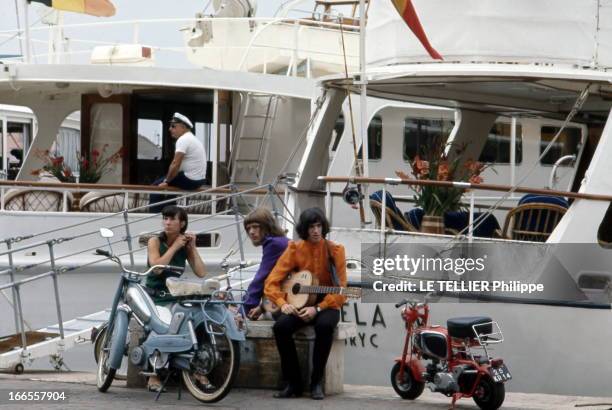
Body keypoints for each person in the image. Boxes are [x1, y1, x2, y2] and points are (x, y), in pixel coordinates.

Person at [264, 207, 347, 400]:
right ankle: (293, 383)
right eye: (311, 227)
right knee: (281, 327)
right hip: (299, 301)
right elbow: (271, 282)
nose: (316, 231)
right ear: (305, 229)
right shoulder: (294, 249)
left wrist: (318, 308)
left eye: (319, 226)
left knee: (324, 326)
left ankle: (316, 382)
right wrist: (282, 303)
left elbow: (343, 291)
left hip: (327, 302)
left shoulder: (335, 250)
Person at [145, 205, 207, 391]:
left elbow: (201, 272)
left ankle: (198, 370)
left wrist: (192, 248)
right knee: (163, 325)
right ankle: (153, 376)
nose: (167, 222)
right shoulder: (154, 241)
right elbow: (156, 268)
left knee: (197, 320)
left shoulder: (184, 244)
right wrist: (174, 247)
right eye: (165, 218)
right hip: (156, 296)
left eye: (172, 219)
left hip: (175, 297)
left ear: (182, 223)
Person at [149, 113, 208, 213]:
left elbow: (175, 163)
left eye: (173, 126)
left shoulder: (183, 139)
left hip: (190, 180)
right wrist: (168, 181)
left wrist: (166, 181)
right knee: (170, 188)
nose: (170, 129)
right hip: (199, 180)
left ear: (183, 127)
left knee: (155, 188)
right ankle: (171, 214)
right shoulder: (193, 138)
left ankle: (154, 217)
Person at [242, 208, 289, 320]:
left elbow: (260, 279)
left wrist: (243, 310)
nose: (251, 232)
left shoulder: (273, 244)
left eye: (255, 226)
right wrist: (262, 307)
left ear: (267, 226)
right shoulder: (281, 240)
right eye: (248, 228)